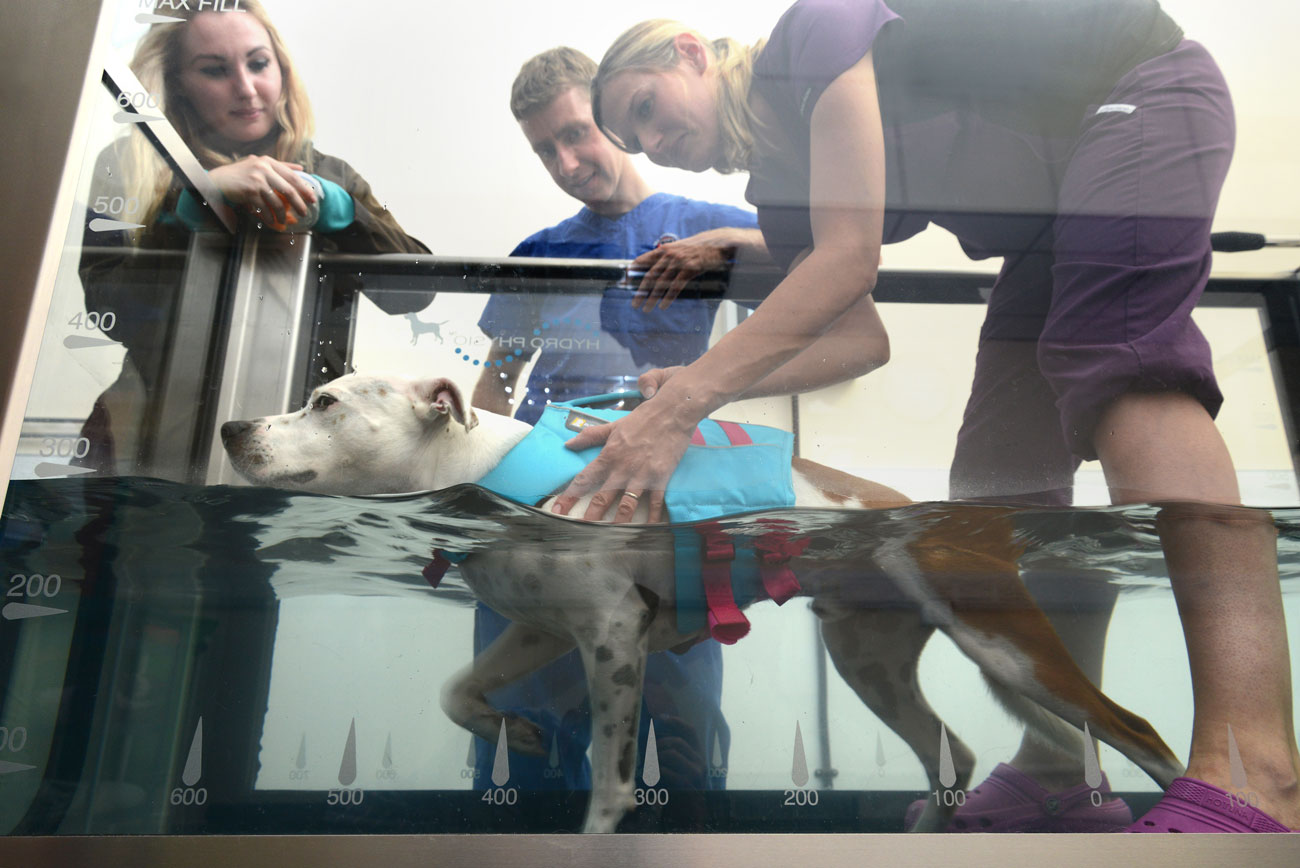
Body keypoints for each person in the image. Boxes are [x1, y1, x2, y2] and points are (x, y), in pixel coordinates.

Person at [552, 0, 1300, 833]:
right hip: (1050, 219)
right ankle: (1060, 767)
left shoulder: (814, 36)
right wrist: (687, 390)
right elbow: (858, 342)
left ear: (691, 51)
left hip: (1137, 92)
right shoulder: (778, 190)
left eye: (646, 109)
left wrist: (687, 402)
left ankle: (1253, 768)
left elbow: (847, 261)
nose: (652, 146)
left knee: (1118, 358)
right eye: (633, 138)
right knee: (994, 480)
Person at [467, 47, 765, 795]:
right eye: (545, 150)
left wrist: (726, 245)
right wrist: (464, 515)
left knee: (681, 752)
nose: (566, 162)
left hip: (659, 524)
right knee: (523, 751)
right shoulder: (540, 254)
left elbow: (815, 259)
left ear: (611, 121)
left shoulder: (697, 223)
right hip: (540, 519)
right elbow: (493, 391)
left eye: (576, 134)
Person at [77, 0, 429, 476]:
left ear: (281, 68)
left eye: (258, 64)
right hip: (143, 438)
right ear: (179, 82)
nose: (246, 88)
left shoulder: (332, 174)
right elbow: (110, 311)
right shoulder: (131, 163)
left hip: (299, 446)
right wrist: (191, 208)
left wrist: (345, 213)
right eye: (215, 70)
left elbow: (416, 292)